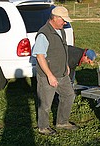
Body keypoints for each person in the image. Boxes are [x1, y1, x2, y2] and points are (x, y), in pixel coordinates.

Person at [32, 6, 78, 135]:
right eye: (63, 20)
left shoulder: (60, 30)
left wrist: (66, 65)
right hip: (48, 75)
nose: (65, 23)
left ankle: (62, 122)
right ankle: (43, 127)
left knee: (69, 95)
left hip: (62, 73)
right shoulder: (44, 34)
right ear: (55, 18)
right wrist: (50, 75)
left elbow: (62, 50)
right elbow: (40, 57)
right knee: (45, 103)